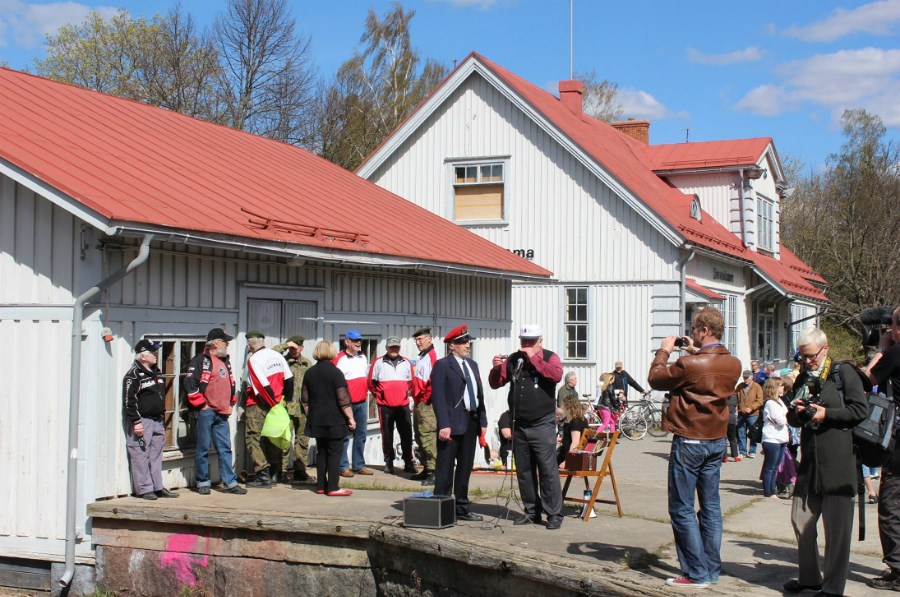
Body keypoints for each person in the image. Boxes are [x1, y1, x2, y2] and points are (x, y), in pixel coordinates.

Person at [647, 307, 742, 588]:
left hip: (689, 439)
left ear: (702, 330)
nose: (691, 333)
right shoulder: (734, 364)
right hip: (716, 441)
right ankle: (710, 569)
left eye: (694, 329)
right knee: (711, 506)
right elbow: (706, 376)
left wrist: (664, 351)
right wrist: (693, 351)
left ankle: (695, 572)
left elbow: (656, 378)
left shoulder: (690, 364)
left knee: (682, 508)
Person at [783, 327, 867, 597]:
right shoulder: (804, 377)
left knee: (837, 533)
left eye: (811, 356)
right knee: (800, 520)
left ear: (825, 349)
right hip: (810, 464)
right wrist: (797, 413)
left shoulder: (844, 373)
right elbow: (793, 418)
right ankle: (809, 578)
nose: (808, 361)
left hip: (839, 464)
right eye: (803, 356)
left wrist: (826, 414)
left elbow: (859, 410)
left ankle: (832, 589)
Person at [489, 324, 564, 530]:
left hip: (542, 423)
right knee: (524, 470)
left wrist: (534, 358)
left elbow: (556, 375)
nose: (526, 345)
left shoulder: (550, 357)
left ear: (540, 341)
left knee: (547, 470)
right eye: (524, 341)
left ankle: (554, 513)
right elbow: (496, 383)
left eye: (531, 341)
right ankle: (532, 511)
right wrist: (496, 369)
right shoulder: (514, 359)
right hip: (519, 424)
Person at [430, 324, 487, 522]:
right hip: (451, 423)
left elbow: (479, 395)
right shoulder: (443, 365)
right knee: (445, 468)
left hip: (471, 421)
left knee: (465, 467)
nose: (467, 344)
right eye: (462, 342)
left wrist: (482, 420)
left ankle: (462, 507)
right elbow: (438, 397)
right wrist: (444, 424)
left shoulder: (473, 365)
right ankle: (441, 507)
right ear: (451, 346)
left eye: (468, 341)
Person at [184, 328, 246, 495]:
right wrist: (202, 405)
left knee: (225, 449)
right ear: (215, 343)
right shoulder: (199, 361)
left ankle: (230, 483)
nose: (227, 343)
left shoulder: (225, 360)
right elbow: (190, 385)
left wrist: (231, 403)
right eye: (224, 341)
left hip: (222, 413)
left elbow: (230, 384)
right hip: (206, 412)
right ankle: (202, 482)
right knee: (202, 448)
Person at [865, 306, 900, 591]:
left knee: (890, 506)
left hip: (898, 447)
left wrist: (882, 348)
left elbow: (867, 380)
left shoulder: (895, 353)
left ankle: (898, 569)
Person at [122, 339, 178, 500]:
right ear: (142, 356)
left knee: (156, 455)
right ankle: (145, 489)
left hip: (157, 420)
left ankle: (157, 487)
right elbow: (129, 401)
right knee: (140, 454)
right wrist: (136, 422)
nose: (155, 355)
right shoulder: (133, 375)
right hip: (142, 421)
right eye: (152, 353)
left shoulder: (156, 372)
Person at [301, 340, 355, 496]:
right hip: (334, 420)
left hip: (316, 420)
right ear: (331, 353)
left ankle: (320, 485)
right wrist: (351, 418)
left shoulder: (309, 372)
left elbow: (305, 399)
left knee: (322, 452)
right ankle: (332, 487)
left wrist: (310, 415)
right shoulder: (335, 372)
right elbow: (343, 399)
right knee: (334, 453)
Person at [244, 331, 293, 488]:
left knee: (253, 437)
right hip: (278, 401)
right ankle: (273, 472)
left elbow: (261, 384)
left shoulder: (254, 359)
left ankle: (262, 473)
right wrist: (285, 399)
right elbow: (289, 378)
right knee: (272, 436)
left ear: (249, 345)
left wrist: (272, 403)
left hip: (259, 403)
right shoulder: (276, 355)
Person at [368, 336, 415, 475]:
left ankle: (408, 462)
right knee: (387, 434)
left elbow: (410, 383)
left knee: (406, 434)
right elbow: (371, 383)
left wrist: (402, 394)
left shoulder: (406, 362)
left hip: (403, 405)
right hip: (385, 406)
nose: (394, 349)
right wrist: (381, 395)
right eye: (391, 347)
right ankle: (389, 462)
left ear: (399, 348)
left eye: (396, 347)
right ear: (386, 348)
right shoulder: (378, 362)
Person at [271, 335, 314, 484]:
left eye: (297, 348)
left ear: (302, 348)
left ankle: (300, 471)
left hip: (302, 408)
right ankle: (281, 471)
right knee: (284, 441)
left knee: (302, 441)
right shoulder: (281, 361)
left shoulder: (307, 364)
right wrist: (284, 345)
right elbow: (269, 354)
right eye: (291, 348)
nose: (294, 351)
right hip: (285, 407)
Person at [334, 329, 372, 477]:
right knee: (344, 436)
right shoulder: (339, 359)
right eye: (355, 340)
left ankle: (358, 465)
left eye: (360, 340)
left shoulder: (362, 357)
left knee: (361, 434)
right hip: (346, 405)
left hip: (361, 402)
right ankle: (343, 466)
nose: (358, 343)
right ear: (347, 342)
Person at [411, 327, 438, 485]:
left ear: (429, 339)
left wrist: (426, 399)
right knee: (420, 435)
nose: (418, 343)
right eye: (416, 340)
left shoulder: (432, 356)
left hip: (426, 403)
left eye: (420, 339)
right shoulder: (423, 356)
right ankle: (427, 468)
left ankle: (434, 471)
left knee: (428, 436)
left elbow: (433, 381)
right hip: (418, 401)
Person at [760, 377, 788, 498]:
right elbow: (780, 420)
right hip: (771, 438)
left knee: (776, 466)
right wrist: (788, 419)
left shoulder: (779, 401)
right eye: (781, 386)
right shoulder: (770, 403)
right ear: (775, 387)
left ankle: (773, 490)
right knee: (770, 467)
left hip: (781, 437)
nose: (783, 388)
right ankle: (768, 492)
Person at [735, 370, 764, 459]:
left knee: (753, 433)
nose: (745, 379)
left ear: (752, 377)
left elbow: (760, 401)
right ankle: (742, 451)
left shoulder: (757, 387)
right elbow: (735, 397)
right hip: (741, 413)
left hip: (753, 414)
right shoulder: (740, 386)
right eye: (744, 377)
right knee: (741, 433)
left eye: (747, 377)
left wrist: (751, 408)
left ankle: (752, 451)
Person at [557, 395, 587, 466]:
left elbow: (575, 442)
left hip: (568, 458)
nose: (562, 408)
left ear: (568, 407)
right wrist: (563, 439)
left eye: (563, 405)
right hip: (567, 454)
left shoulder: (576, 422)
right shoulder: (582, 419)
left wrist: (567, 461)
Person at [724, 392, 740, 462]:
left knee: (723, 439)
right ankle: (735, 456)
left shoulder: (722, 395)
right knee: (732, 438)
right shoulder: (734, 396)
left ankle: (724, 457)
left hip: (723, 419)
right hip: (731, 419)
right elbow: (736, 406)